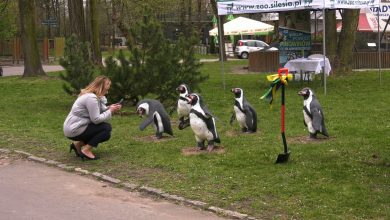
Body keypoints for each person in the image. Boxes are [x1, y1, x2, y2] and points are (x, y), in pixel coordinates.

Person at [63, 76, 122, 160]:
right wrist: (110, 111)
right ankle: (86, 150)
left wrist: (110, 108)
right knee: (106, 128)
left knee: (106, 134)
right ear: (101, 87)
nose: (107, 92)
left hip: (73, 127)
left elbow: (97, 111)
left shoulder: (92, 96)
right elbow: (96, 119)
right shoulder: (91, 98)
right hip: (74, 129)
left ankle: (78, 145)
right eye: (106, 89)